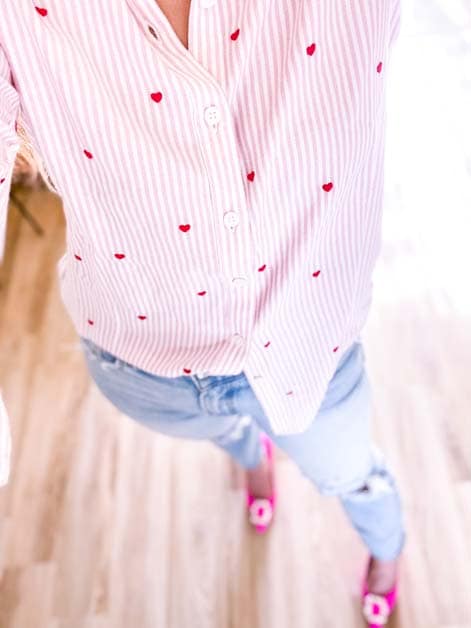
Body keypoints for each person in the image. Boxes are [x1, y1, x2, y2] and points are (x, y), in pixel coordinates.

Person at [0, 1, 404, 625]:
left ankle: (387, 550)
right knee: (229, 434)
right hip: (142, 365)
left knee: (353, 474)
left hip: (311, 353)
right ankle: (253, 458)